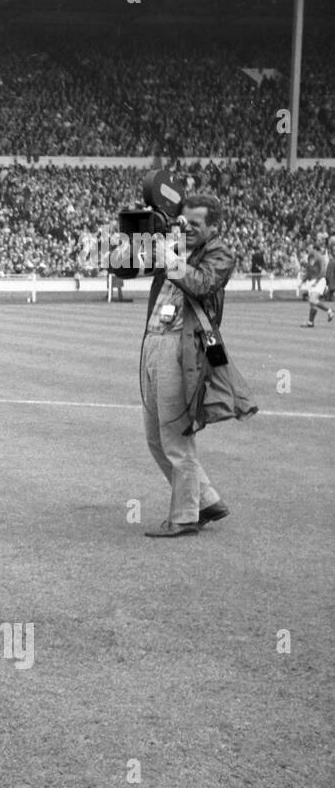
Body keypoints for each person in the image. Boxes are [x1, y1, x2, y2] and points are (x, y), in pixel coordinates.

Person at [118, 194, 234, 537]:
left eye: (196, 224)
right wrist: (134, 234)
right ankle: (207, 500)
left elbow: (200, 283)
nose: (188, 229)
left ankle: (184, 516)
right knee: (155, 437)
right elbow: (122, 267)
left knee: (175, 438)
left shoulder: (220, 253)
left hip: (183, 349)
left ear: (214, 226)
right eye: (184, 222)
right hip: (154, 342)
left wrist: (169, 253)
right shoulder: (173, 245)